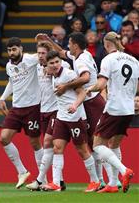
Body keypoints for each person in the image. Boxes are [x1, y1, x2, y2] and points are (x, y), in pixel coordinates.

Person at [35, 32, 108, 190]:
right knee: (57, 147)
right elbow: (61, 53)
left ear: (75, 44)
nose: (54, 65)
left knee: (88, 147)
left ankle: (99, 180)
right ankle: (56, 183)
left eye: (56, 62)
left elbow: (84, 82)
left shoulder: (71, 71)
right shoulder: (76, 58)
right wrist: (48, 41)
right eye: (51, 63)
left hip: (80, 112)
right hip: (63, 116)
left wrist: (74, 102)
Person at [86, 31, 139, 193]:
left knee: (97, 145)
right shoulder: (135, 61)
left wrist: (89, 88)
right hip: (129, 109)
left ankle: (124, 171)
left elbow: (101, 84)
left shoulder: (108, 59)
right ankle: (113, 184)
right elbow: (136, 86)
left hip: (114, 108)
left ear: (107, 44)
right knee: (114, 144)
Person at [0, 37, 43, 189]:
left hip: (33, 107)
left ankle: (43, 178)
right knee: (4, 139)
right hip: (17, 108)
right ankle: (22, 171)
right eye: (9, 50)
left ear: (21, 49)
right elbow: (12, 82)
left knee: (35, 143)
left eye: (14, 49)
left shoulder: (31, 59)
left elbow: (44, 55)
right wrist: (3, 97)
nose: (11, 52)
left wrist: (46, 42)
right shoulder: (8, 66)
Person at [26, 42, 70, 191]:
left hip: (56, 110)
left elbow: (67, 73)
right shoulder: (37, 68)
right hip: (43, 110)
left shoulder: (59, 67)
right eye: (38, 53)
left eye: (43, 53)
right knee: (51, 147)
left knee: (47, 143)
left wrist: (51, 69)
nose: (40, 56)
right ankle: (60, 181)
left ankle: (39, 181)